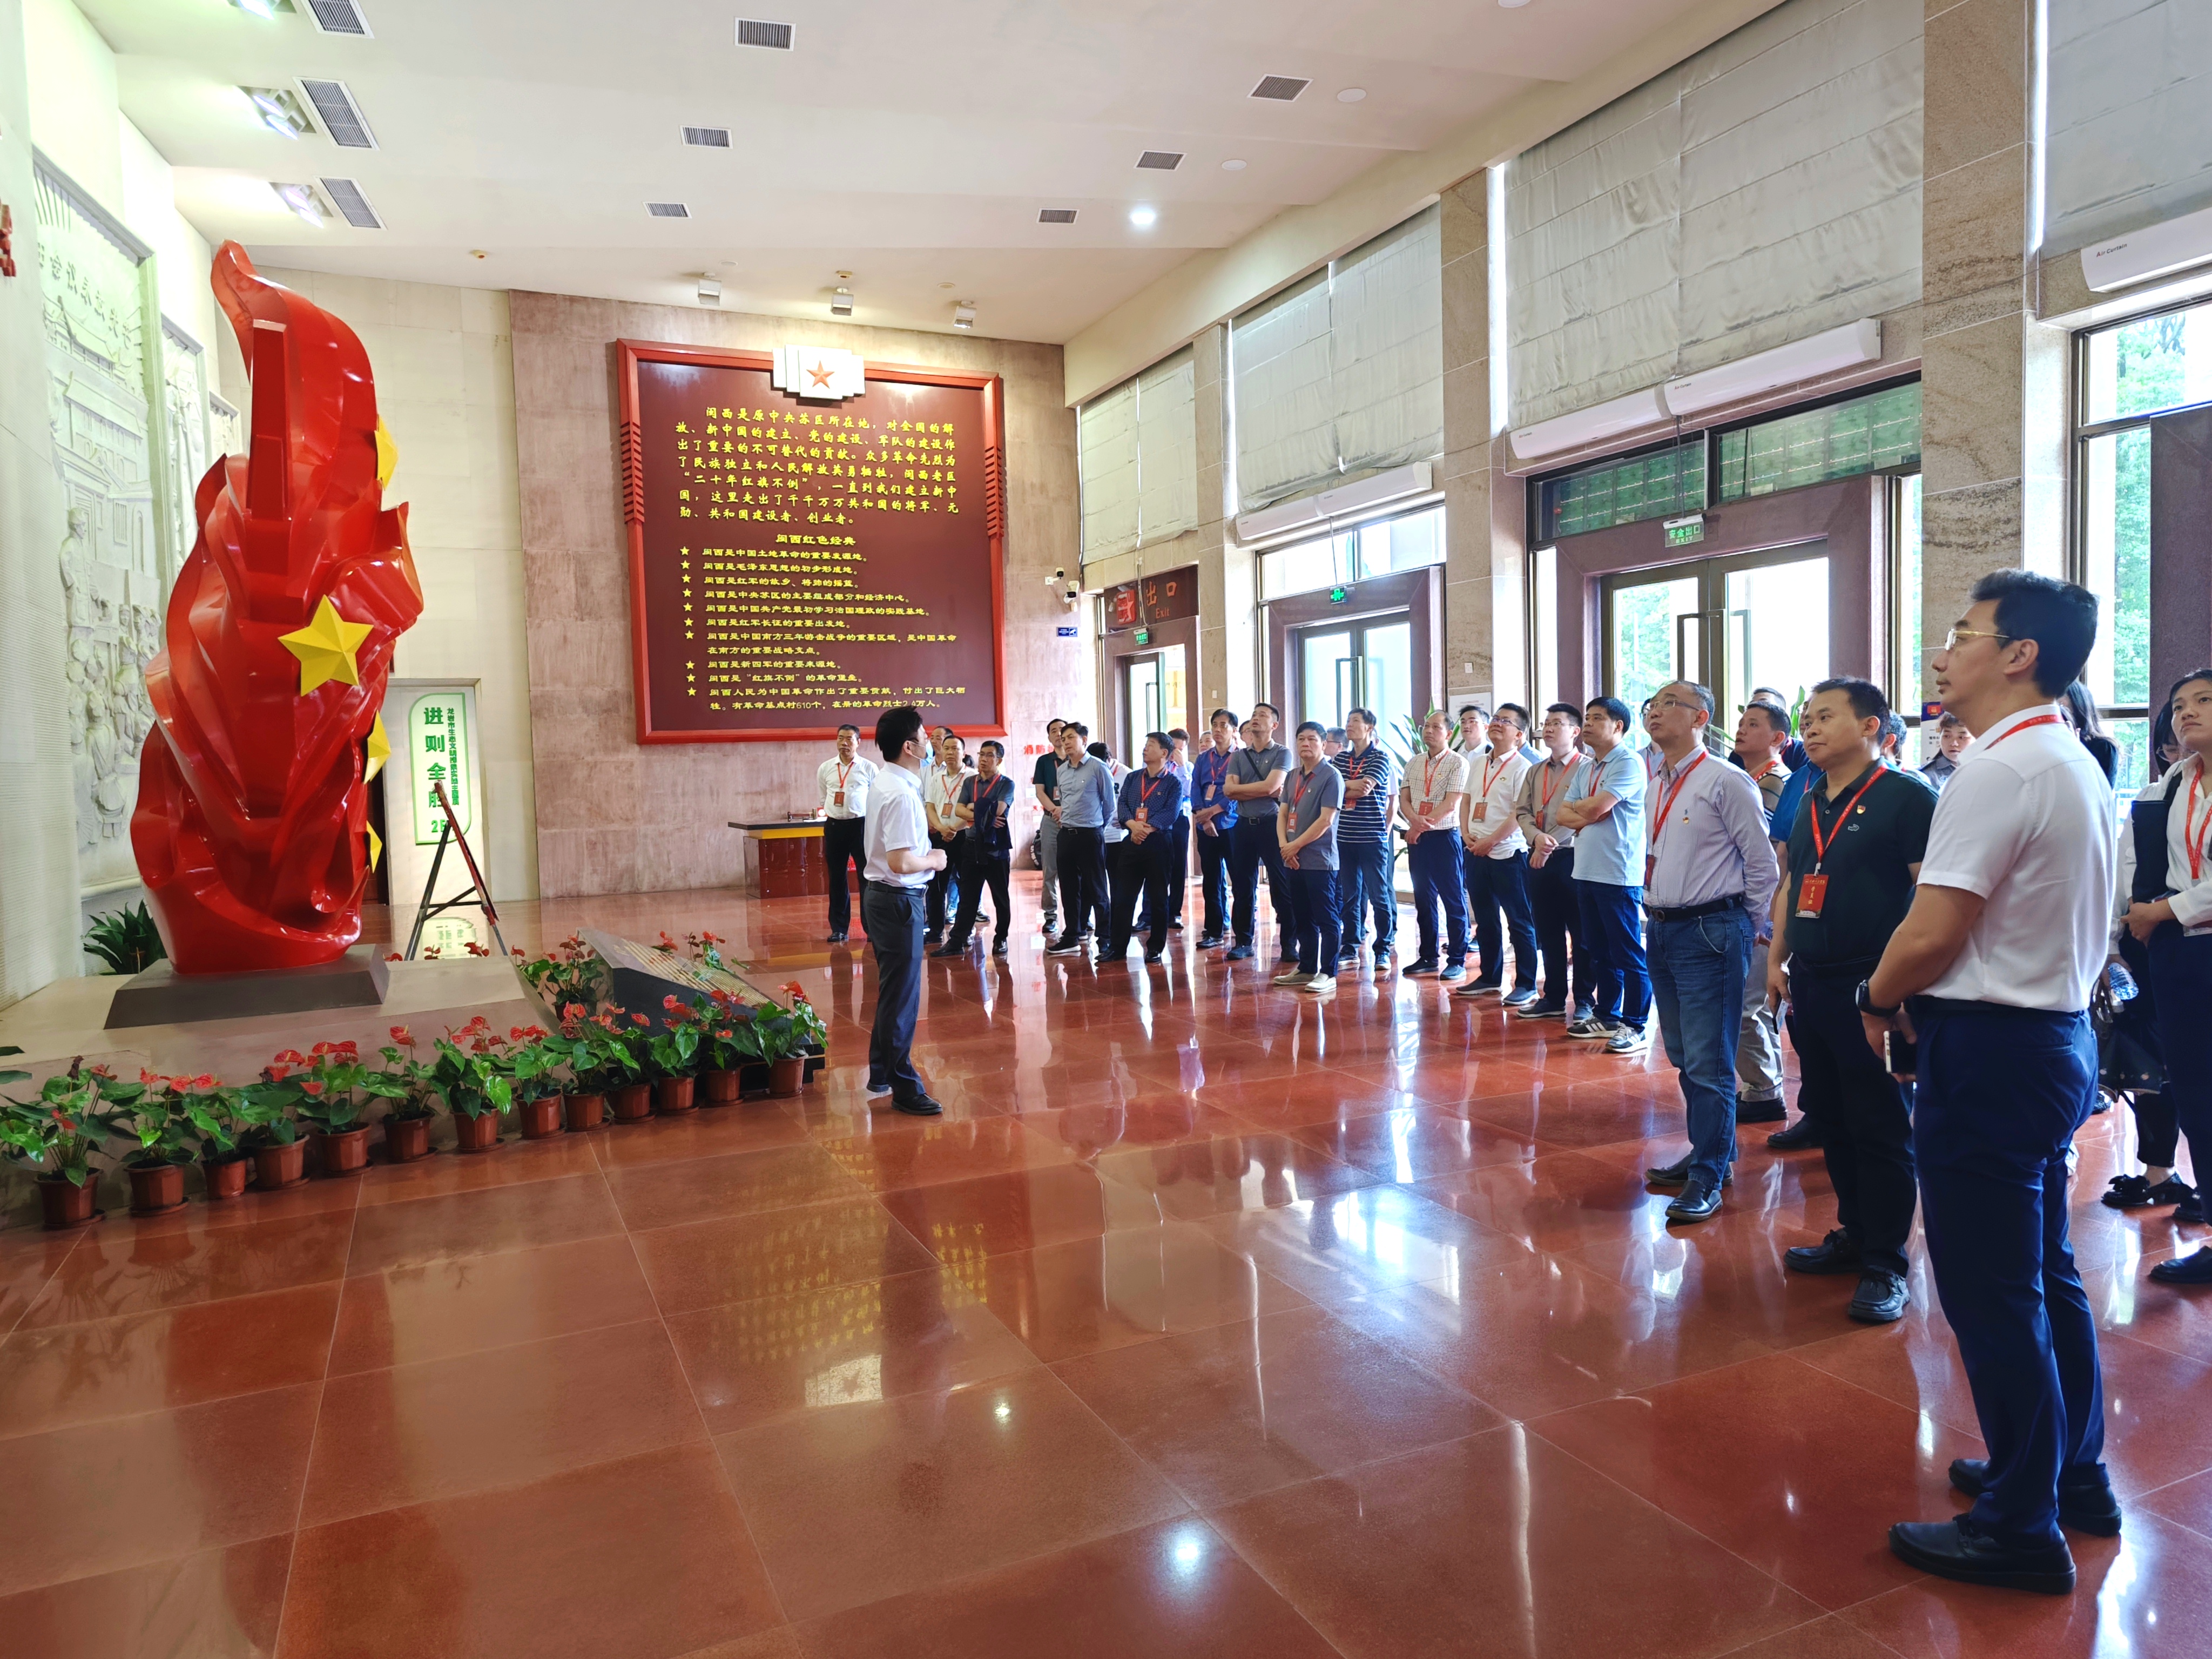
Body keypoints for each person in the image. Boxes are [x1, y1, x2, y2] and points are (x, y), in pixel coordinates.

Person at [1860, 570, 2116, 1595]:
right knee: (2043, 1271)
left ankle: (2018, 1526)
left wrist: (1875, 997)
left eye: (1963, 633)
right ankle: (2067, 1472)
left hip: (1993, 1051)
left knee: (1992, 1292)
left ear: (2019, 654)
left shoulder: (1999, 768)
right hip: (2051, 1038)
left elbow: (1934, 931)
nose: (1942, 652)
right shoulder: (2066, 756)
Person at [1765, 677, 1934, 1322]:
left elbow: (1929, 898)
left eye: (1825, 717)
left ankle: (1887, 1263)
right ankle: (1855, 1234)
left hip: (1873, 985)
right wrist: (1778, 959)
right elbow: (1793, 884)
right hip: (1812, 980)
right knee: (1831, 1116)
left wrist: (1900, 988)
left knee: (1880, 1126)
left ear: (1871, 727)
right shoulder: (1812, 797)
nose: (1809, 727)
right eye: (1806, 718)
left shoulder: (1906, 797)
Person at [1634, 682, 1779, 1222]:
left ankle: (1708, 1174)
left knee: (1709, 1058)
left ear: (1700, 718)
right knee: (1681, 1053)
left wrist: (1746, 928)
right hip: (1662, 929)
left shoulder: (1725, 779)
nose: (1655, 712)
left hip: (1710, 930)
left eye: (1668, 704)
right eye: (1652, 704)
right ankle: (1711, 1149)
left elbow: (1762, 865)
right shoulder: (1657, 781)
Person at [2123, 669, 2212, 1282]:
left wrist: (2164, 910)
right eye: (2179, 706)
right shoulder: (2171, 785)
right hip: (2181, 956)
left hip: (2180, 924)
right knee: (2198, 1096)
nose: (2186, 713)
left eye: (2203, 701)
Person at [2102, 702, 2191, 1218]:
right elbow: (2123, 872)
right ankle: (2160, 1172)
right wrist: (2113, 945)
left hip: (2191, 937)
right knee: (2153, 1065)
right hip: (2148, 942)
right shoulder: (2152, 799)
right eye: (2169, 749)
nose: (2178, 757)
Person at [861, 706, 947, 1116]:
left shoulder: (889, 782)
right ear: (910, 747)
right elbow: (900, 861)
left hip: (884, 899)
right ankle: (904, 1086)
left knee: (894, 990)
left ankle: (881, 1072)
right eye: (926, 738)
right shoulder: (899, 793)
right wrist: (935, 860)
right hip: (897, 901)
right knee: (903, 999)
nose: (931, 745)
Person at [1555, 697, 1650, 1048]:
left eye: (1597, 718)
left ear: (1618, 726)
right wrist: (1588, 810)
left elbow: (1595, 809)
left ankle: (1635, 1025)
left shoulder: (1628, 762)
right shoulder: (1588, 767)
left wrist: (1585, 810)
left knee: (1627, 952)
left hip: (1617, 872)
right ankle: (1607, 1016)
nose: (1589, 724)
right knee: (1598, 950)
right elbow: (1562, 815)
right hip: (1586, 870)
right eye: (1587, 718)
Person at [1730, 701, 1794, 1125]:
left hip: (1763, 909)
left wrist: (1766, 917)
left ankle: (1765, 1091)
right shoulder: (1749, 778)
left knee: (1748, 1006)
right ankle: (1763, 1086)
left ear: (1778, 738)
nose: (1741, 730)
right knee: (1750, 1005)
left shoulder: (1776, 782)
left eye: (1753, 724)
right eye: (1741, 723)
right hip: (1752, 906)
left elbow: (1769, 857)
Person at [1513, 703, 1591, 1022]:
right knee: (1548, 930)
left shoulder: (1587, 768)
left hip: (1574, 857)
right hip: (1538, 855)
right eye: (1546, 723)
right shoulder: (1535, 771)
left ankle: (1585, 1000)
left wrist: (1548, 844)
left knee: (1581, 933)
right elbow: (1522, 812)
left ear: (1575, 732)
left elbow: (1586, 814)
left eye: (1557, 723)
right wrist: (1536, 838)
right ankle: (1554, 997)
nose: (1548, 728)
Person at [1456, 705, 1539, 1006]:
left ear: (1519, 734)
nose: (1497, 724)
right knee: (1485, 919)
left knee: (1519, 921)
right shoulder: (1479, 761)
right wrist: (1466, 834)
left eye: (1506, 721)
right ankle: (1490, 978)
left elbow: (1519, 813)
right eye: (1496, 719)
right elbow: (1467, 801)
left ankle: (1527, 984)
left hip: (1507, 853)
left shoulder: (1523, 767)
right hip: (1475, 850)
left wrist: (1490, 841)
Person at [1274, 720, 1344, 993]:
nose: (1306, 744)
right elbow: (1282, 814)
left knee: (1326, 918)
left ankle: (1328, 972)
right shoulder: (1293, 775)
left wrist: (1294, 846)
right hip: (1293, 858)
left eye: (1312, 739)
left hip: (1319, 861)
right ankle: (1306, 968)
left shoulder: (1331, 776)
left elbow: (1326, 821)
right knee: (1302, 916)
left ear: (1324, 744)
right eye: (1301, 739)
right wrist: (1285, 846)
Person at [1401, 711, 1470, 983]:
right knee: (1424, 898)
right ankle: (1428, 956)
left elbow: (1451, 804)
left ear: (1449, 733)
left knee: (1453, 900)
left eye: (1436, 727)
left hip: (1444, 837)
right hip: (1419, 839)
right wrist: (1415, 823)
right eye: (1426, 726)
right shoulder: (1414, 762)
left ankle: (1457, 960)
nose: (1429, 731)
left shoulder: (1458, 763)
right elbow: (1405, 799)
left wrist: (1419, 826)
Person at [1105, 732, 1183, 965]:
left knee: (1158, 898)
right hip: (1132, 841)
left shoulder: (1173, 783)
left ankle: (1155, 948)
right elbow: (1123, 804)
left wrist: (1145, 829)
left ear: (1164, 753)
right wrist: (1133, 826)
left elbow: (1171, 813)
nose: (1145, 749)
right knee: (1123, 897)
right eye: (1146, 745)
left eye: (1151, 745)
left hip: (1159, 843)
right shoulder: (1133, 778)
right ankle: (1117, 947)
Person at [1223, 702, 1292, 963]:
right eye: (1254, 715)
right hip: (1243, 825)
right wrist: (1261, 788)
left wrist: (1245, 789)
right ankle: (1243, 942)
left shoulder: (1283, 753)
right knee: (1243, 886)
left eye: (1262, 715)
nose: (1255, 719)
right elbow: (1228, 791)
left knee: (1281, 885)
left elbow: (1272, 787)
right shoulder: (1239, 756)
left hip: (1272, 824)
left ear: (1274, 725)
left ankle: (1289, 945)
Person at [1331, 707, 1399, 968]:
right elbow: (1331, 790)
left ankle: (1382, 948)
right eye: (1348, 721)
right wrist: (1348, 786)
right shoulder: (1340, 759)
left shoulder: (1381, 758)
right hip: (1344, 837)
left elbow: (1365, 789)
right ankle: (1350, 946)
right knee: (1350, 896)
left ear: (1370, 727)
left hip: (1372, 837)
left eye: (1356, 721)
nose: (1349, 725)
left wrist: (1344, 786)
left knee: (1379, 896)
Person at [936, 739, 1015, 958]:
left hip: (995, 849)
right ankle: (957, 940)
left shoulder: (1006, 784)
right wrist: (982, 812)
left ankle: (1001, 938)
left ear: (999, 760)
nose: (984, 759)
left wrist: (973, 808)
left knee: (1000, 898)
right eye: (982, 754)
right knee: (968, 897)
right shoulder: (970, 782)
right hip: (971, 847)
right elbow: (959, 810)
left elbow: (998, 810)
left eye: (990, 755)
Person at [1046, 723, 1113, 957]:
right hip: (1066, 834)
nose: (1065, 742)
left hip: (1090, 835)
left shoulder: (1098, 767)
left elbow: (1109, 805)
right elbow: (1063, 802)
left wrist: (1097, 828)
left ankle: (1105, 938)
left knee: (1097, 888)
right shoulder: (1062, 770)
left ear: (1084, 740)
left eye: (1070, 737)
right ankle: (1072, 936)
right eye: (1063, 738)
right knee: (1068, 888)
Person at [818, 723, 875, 944]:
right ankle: (839, 928)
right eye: (840, 738)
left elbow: (877, 798)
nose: (844, 743)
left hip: (861, 826)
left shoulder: (869, 768)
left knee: (866, 877)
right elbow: (823, 796)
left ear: (858, 742)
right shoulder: (826, 768)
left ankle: (871, 928)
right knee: (837, 878)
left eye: (849, 739)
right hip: (834, 826)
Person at [1191, 710, 1240, 947]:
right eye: (1215, 726)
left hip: (1231, 825)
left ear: (1234, 731)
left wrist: (1213, 812)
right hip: (1205, 826)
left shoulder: (1240, 758)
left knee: (1239, 881)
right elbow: (1195, 789)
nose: (1218, 730)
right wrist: (1203, 817)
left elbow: (1237, 793)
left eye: (1224, 726)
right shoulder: (1203, 759)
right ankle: (1214, 930)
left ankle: (1242, 932)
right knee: (1211, 880)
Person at [922, 730, 970, 946]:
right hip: (940, 837)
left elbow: (972, 809)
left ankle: (963, 932)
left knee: (966, 886)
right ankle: (935, 931)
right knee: (936, 886)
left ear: (964, 753)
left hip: (965, 836)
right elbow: (930, 806)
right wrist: (942, 828)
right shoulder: (936, 778)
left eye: (955, 749)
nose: (950, 752)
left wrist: (955, 828)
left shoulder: (972, 777)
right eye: (947, 748)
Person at [1031, 718, 1067, 938]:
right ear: (1049, 737)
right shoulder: (1044, 761)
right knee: (1050, 871)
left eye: (1062, 729)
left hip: (1075, 820)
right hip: (1051, 820)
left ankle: (1081, 916)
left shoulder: (1078, 759)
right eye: (1053, 731)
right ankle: (1051, 917)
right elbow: (1040, 792)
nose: (1058, 733)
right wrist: (1055, 811)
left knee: (1077, 871)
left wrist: (1068, 812)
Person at [1090, 739, 1128, 942]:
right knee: (1096, 884)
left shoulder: (1126, 774)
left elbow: (1133, 802)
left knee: (1117, 883)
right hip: (1096, 836)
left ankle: (1118, 922)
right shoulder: (1090, 772)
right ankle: (1101, 924)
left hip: (1118, 838)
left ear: (1109, 759)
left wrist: (1126, 820)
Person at [2060, 680, 2120, 786]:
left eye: (2061, 706)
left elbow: (2096, 792)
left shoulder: (2104, 748)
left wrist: (2073, 749)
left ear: (2078, 706)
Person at [1921, 711, 1972, 790]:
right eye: (1947, 736)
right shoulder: (1926, 775)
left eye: (1962, 737)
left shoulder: (1986, 770)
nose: (1954, 743)